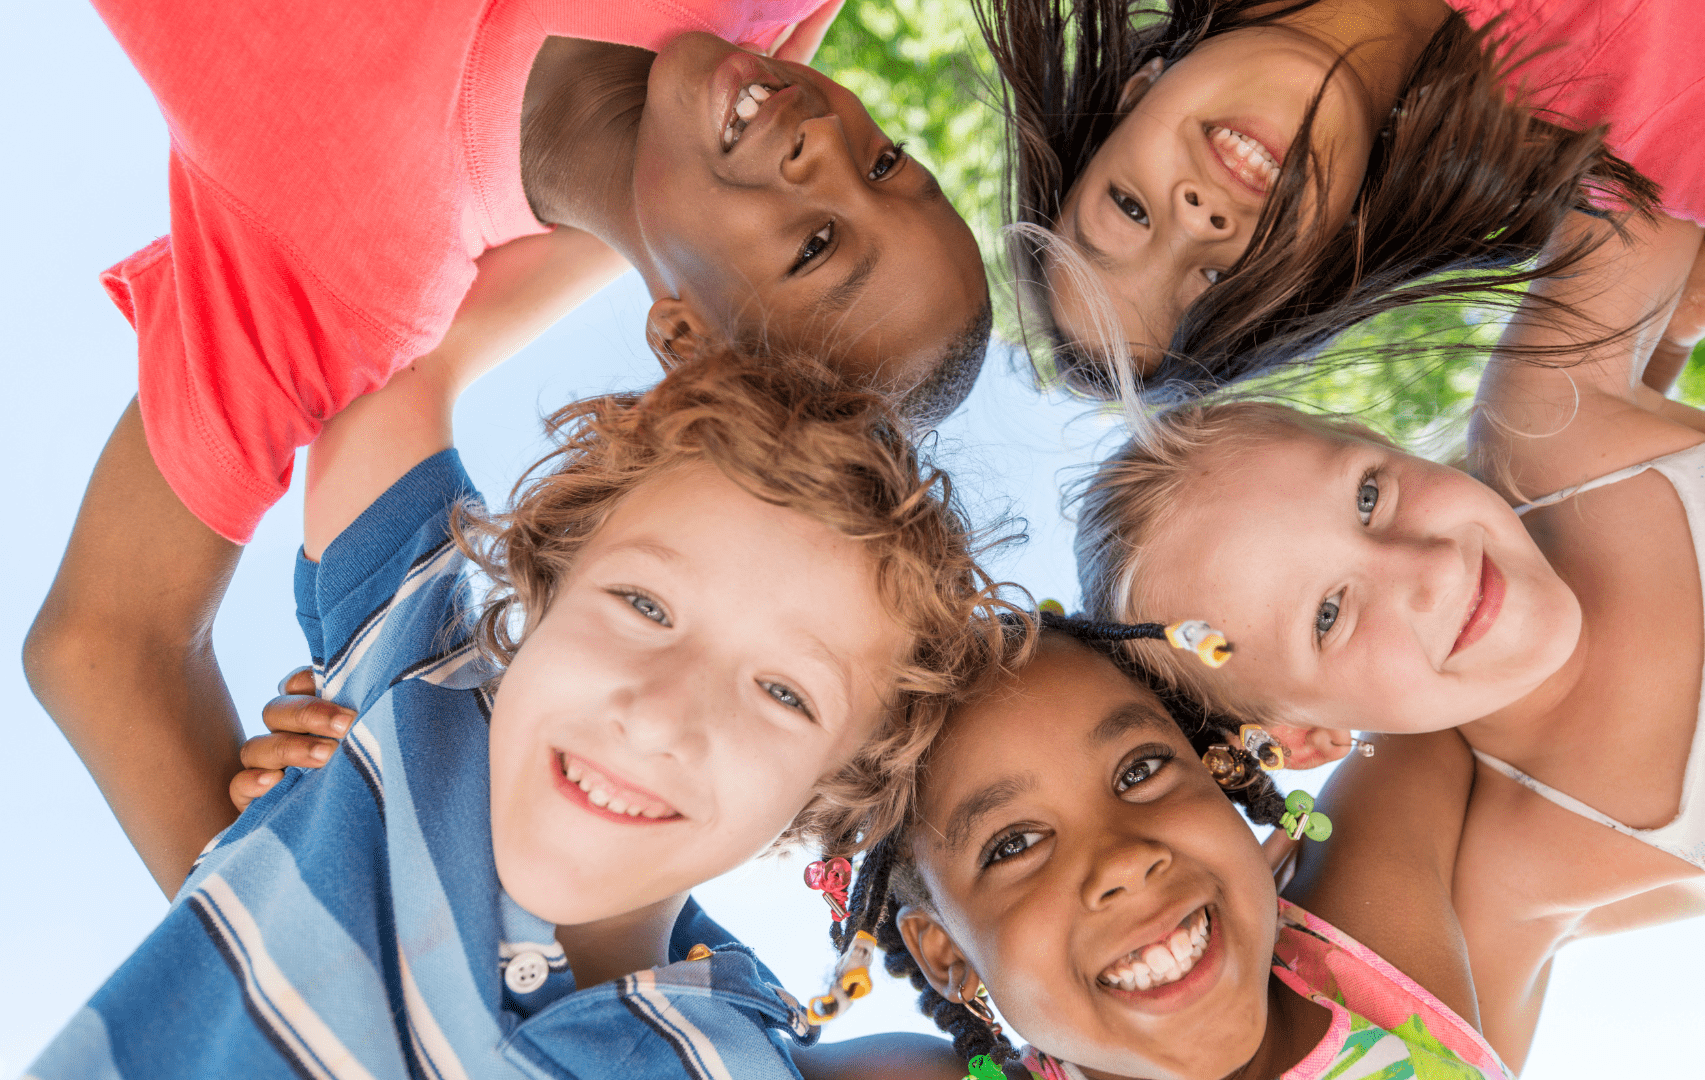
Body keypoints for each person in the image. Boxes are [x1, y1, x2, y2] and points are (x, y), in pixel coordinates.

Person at [25, 280, 1019, 1074]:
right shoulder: (417, 688)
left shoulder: (765, 1055)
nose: (658, 714)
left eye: (784, 694)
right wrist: (639, 173)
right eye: (643, 605)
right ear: (539, 591)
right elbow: (394, 344)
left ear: (830, 797)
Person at [1068, 207, 1705, 1067]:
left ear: (1381, 441)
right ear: (1304, 739)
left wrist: (1702, 291)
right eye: (1329, 615)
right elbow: (1457, 1059)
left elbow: (1661, 136)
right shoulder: (1532, 860)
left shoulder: (1554, 432)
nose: (1429, 568)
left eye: (1369, 495)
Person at [92, 0, 992, 547]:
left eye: (814, 249)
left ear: (690, 341)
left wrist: (322, 832)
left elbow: (103, 645)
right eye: (889, 167)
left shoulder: (351, 280)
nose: (831, 141)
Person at [976, 0, 1705, 406]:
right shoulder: (1633, 111)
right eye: (1216, 279)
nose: (1198, 217)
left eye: (1128, 213)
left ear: (1133, 94)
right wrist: (1663, 334)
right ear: (1325, 257)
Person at [774, 615, 1508, 1080]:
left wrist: (1299, 710)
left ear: (1223, 778)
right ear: (946, 954)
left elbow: (1437, 707)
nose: (1122, 859)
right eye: (1015, 844)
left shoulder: (1365, 952)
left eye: (1142, 771)